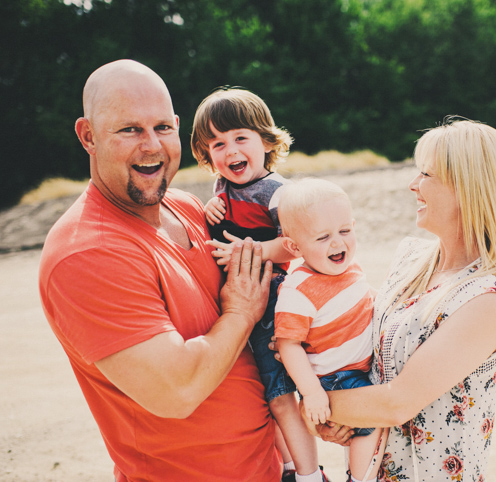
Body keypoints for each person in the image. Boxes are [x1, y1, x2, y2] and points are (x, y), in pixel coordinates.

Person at [38, 59, 282, 481]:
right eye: (129, 129)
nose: (151, 145)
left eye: (163, 128)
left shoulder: (186, 206)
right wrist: (242, 312)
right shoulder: (87, 253)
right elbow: (177, 391)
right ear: (88, 136)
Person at [302, 118, 496, 481]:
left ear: (467, 188)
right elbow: (369, 363)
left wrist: (312, 407)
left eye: (426, 174)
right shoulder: (409, 259)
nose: (413, 185)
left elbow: (396, 403)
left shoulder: (490, 298)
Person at [190, 88, 326, 482]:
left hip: (273, 304)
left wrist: (252, 252)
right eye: (217, 144)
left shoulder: (277, 193)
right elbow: (221, 225)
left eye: (240, 138)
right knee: (263, 398)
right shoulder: (221, 189)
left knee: (282, 398)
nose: (230, 151)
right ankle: (284, 467)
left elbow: (293, 245)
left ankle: (309, 475)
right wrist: (207, 208)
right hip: (239, 307)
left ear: (266, 142)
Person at [274, 179, 389, 482]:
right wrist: (312, 393)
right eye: (323, 237)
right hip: (334, 377)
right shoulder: (298, 290)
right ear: (294, 247)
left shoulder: (350, 267)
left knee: (375, 418)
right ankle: (360, 478)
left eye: (345, 231)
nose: (338, 243)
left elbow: (365, 297)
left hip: (360, 367)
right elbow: (289, 345)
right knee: (372, 419)